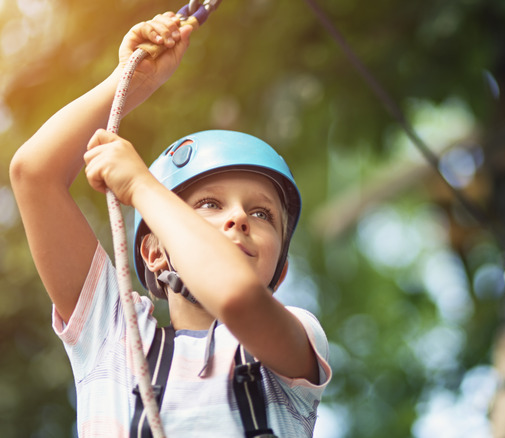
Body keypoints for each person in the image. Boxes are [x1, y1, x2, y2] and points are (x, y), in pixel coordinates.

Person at [9, 11, 331, 437]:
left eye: (261, 214)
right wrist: (131, 82)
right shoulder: (112, 336)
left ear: (280, 270)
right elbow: (34, 174)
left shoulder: (296, 343)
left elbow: (236, 297)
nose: (238, 218)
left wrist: (141, 185)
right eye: (210, 204)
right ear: (154, 250)